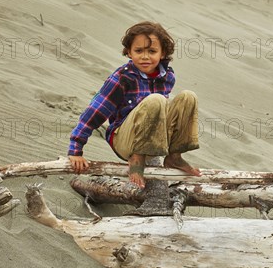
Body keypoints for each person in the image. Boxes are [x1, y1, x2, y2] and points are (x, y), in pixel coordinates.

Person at [67, 21, 202, 189]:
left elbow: (165, 115)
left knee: (188, 97)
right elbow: (95, 112)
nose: (145, 57)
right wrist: (75, 150)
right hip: (125, 140)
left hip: (154, 137)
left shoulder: (168, 77)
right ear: (129, 52)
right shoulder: (122, 78)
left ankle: (174, 156)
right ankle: (137, 159)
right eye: (138, 51)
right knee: (156, 99)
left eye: (152, 51)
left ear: (163, 53)